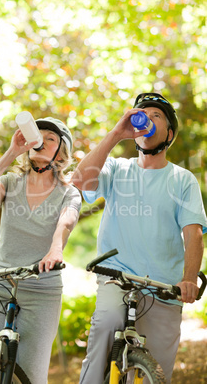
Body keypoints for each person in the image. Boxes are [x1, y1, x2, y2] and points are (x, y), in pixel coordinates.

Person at [71, 93, 207, 383]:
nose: (146, 117)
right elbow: (79, 182)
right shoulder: (117, 168)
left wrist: (189, 278)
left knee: (157, 370)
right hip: (116, 278)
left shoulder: (182, 179)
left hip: (164, 287)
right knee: (105, 325)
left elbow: (193, 233)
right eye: (142, 113)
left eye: (156, 115)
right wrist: (116, 134)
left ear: (169, 134)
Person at [0, 116, 82, 383]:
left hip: (42, 288)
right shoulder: (10, 182)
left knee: (29, 375)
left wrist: (56, 249)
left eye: (50, 138)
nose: (41, 140)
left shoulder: (69, 192)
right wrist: (12, 151)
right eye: (37, 136)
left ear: (61, 152)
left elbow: (66, 221)